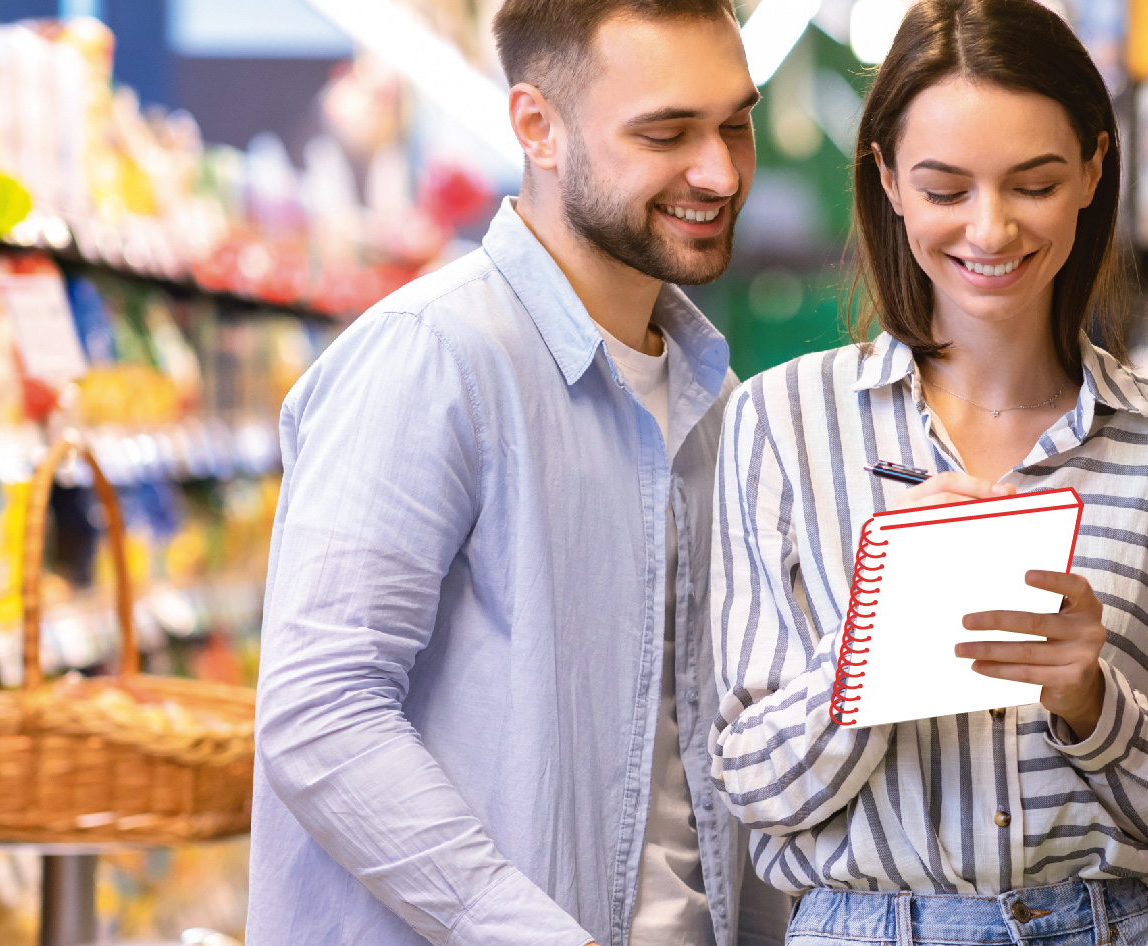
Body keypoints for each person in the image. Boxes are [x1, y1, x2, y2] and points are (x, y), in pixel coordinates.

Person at [707, 2, 1148, 945]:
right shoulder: (781, 421)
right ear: (887, 181)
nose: (990, 230)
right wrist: (877, 645)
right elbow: (753, 785)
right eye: (945, 189)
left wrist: (1093, 703)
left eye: (1033, 183)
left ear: (1091, 169)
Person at [247, 2, 789, 944]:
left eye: (734, 124)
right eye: (666, 133)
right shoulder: (432, 360)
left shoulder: (717, 401)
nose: (718, 172)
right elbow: (321, 713)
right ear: (537, 126)